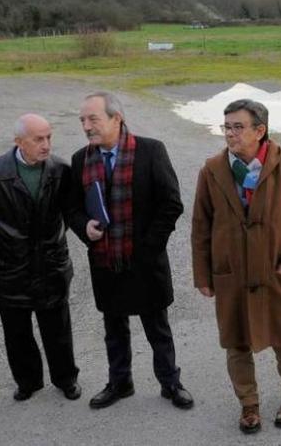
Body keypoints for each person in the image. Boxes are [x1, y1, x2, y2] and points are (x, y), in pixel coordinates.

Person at [191, 99, 281, 433]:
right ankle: (249, 406)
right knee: (236, 346)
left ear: (260, 131)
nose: (230, 134)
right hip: (231, 277)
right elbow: (201, 227)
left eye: (238, 127)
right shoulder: (213, 170)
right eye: (227, 127)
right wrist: (203, 276)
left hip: (276, 274)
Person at [67, 92, 194, 411]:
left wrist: (148, 248)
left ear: (116, 119)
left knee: (158, 329)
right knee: (114, 328)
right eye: (82, 120)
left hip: (145, 261)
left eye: (92, 118)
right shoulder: (80, 159)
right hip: (105, 260)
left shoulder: (150, 151)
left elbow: (171, 204)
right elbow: (71, 208)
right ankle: (120, 382)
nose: (86, 126)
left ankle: (170, 382)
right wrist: (85, 228)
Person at [0, 113, 81, 403]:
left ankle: (66, 379)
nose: (46, 145)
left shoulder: (61, 170)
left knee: (58, 329)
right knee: (17, 332)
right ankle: (28, 382)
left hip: (51, 265)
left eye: (49, 137)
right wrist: (7, 247)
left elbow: (67, 215)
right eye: (38, 139)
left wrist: (49, 244)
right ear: (19, 141)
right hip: (10, 269)